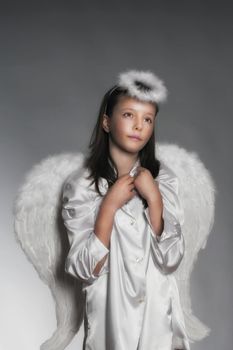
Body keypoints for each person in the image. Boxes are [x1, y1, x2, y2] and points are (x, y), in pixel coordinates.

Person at [61, 70, 190, 350]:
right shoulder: (81, 185)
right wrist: (109, 205)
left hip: (159, 321)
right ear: (107, 122)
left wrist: (154, 199)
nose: (139, 126)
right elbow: (84, 268)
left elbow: (171, 259)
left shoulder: (164, 179)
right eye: (129, 115)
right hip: (111, 322)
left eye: (148, 119)